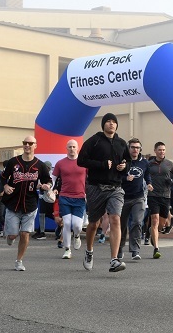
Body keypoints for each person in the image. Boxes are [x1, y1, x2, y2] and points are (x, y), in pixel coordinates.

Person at [77, 112, 129, 272]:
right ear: (103, 125)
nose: (111, 124)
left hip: (116, 187)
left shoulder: (121, 143)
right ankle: (89, 251)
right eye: (108, 122)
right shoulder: (94, 141)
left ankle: (114, 259)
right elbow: (81, 161)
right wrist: (100, 164)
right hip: (96, 187)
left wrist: (124, 166)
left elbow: (128, 161)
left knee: (115, 219)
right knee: (94, 223)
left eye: (114, 122)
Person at [1, 136, 52, 271]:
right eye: (25, 143)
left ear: (35, 145)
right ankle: (10, 236)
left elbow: (48, 180)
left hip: (30, 204)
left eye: (30, 143)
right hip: (13, 203)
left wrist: (46, 186)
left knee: (25, 233)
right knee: (13, 234)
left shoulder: (40, 165)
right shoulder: (13, 162)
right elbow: (3, 177)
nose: (27, 145)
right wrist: (5, 186)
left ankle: (19, 261)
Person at [118, 138, 153, 260]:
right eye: (133, 147)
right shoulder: (123, 161)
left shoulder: (144, 162)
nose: (135, 150)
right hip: (122, 197)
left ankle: (135, 250)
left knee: (137, 222)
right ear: (128, 148)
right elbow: (115, 176)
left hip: (138, 197)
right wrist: (125, 179)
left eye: (137, 147)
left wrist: (149, 183)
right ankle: (119, 248)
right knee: (121, 225)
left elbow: (147, 174)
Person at [52, 140, 87, 259]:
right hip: (64, 196)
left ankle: (76, 236)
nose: (72, 149)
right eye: (70, 147)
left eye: (74, 147)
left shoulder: (84, 163)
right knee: (66, 223)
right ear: (66, 148)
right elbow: (53, 178)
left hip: (80, 197)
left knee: (77, 225)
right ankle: (67, 249)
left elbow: (90, 179)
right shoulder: (60, 163)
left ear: (77, 148)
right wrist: (50, 189)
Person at [147, 141, 173, 259]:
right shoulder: (149, 164)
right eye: (160, 150)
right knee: (155, 220)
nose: (162, 152)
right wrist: (147, 184)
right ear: (155, 151)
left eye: (163, 150)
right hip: (153, 195)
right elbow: (143, 176)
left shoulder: (169, 164)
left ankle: (152, 231)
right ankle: (156, 248)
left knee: (161, 225)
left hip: (166, 196)